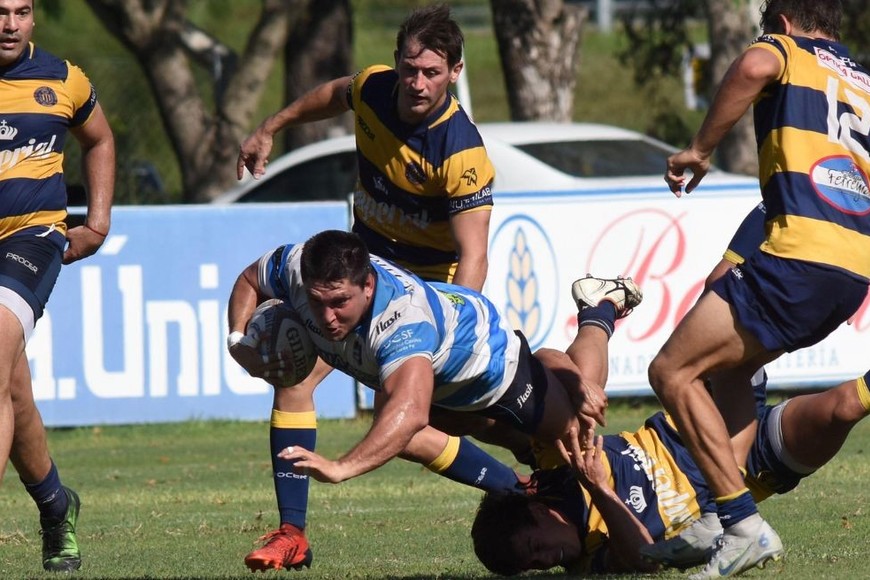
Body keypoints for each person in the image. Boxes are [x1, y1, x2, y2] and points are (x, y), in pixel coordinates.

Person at [235, 4, 498, 571]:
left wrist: (455, 327)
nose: (416, 82)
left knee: (421, 420)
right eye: (409, 68)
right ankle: (291, 534)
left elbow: (474, 253)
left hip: (423, 296)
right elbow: (334, 93)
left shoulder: (461, 152)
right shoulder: (376, 89)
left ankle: (521, 479)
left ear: (455, 71)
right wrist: (270, 128)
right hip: (361, 276)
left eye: (430, 72)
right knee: (294, 376)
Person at [226, 230, 641, 557]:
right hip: (442, 388)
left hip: (491, 364)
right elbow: (249, 279)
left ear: (368, 285)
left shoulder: (402, 321)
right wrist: (238, 340)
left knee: (576, 430)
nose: (328, 317)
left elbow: (409, 413)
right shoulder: (298, 267)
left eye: (340, 303)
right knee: (431, 440)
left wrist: (342, 467)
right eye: (318, 304)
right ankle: (515, 483)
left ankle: (596, 309)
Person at [648, 1, 870, 576]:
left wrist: (700, 149)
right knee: (732, 371)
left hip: (800, 258)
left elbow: (751, 69)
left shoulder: (786, 50)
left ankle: (742, 522)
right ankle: (719, 520)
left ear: (783, 22)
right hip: (852, 272)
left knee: (671, 372)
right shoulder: (863, 82)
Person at [470, 368, 870, 576]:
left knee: (732, 312)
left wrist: (585, 366)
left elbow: (550, 362)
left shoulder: (558, 463)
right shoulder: (589, 560)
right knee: (843, 407)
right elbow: (645, 560)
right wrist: (602, 489)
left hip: (702, 412)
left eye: (534, 548)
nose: (548, 560)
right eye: (536, 567)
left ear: (538, 511)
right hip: (751, 466)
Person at [0, 0, 115, 572]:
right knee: (12, 391)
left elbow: (99, 140)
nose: (9, 24)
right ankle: (54, 506)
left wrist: (96, 221)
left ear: (34, 18)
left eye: (21, 11)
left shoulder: (63, 79)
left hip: (33, 238)